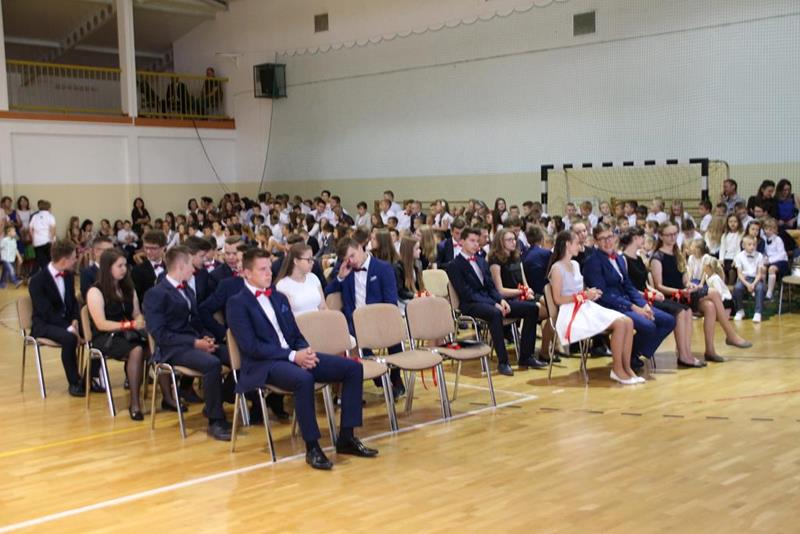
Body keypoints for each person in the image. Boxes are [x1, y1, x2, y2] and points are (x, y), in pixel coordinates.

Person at [227, 248, 377, 470]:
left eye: (269, 268)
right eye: (262, 269)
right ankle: (312, 447)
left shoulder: (278, 297)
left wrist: (305, 351)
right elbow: (251, 347)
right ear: (247, 273)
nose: (269, 273)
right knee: (303, 379)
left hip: (292, 356)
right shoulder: (237, 303)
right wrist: (292, 356)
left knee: (352, 368)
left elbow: (295, 334)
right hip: (264, 365)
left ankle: (347, 437)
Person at [143, 246, 232, 441]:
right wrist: (195, 343)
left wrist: (206, 337)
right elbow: (160, 334)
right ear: (180, 266)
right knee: (212, 364)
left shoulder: (187, 290)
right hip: (171, 348)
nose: (194, 269)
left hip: (192, 342)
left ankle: (219, 400)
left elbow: (196, 322)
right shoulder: (156, 294)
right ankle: (215, 420)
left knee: (235, 356)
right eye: (191, 265)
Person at [87, 248, 172, 420]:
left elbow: (136, 313)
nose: (124, 269)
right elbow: (101, 324)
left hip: (127, 333)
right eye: (120, 266)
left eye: (125, 265)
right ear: (108, 268)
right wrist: (130, 324)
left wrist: (139, 320)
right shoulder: (95, 291)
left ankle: (168, 397)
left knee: (156, 345)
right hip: (105, 337)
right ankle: (134, 402)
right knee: (137, 350)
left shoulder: (128, 288)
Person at [546, 230, 640, 385]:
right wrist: (584, 296)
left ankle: (627, 368)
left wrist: (590, 293)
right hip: (570, 312)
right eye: (577, 243)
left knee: (628, 321)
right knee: (619, 324)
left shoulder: (575, 264)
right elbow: (558, 299)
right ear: (568, 245)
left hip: (583, 306)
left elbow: (579, 291)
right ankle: (617, 370)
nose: (580, 246)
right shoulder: (557, 268)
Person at [650, 222, 751, 364]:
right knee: (714, 293)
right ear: (661, 236)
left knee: (710, 306)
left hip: (684, 293)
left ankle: (710, 350)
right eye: (669, 235)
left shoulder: (677, 253)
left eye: (675, 234)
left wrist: (689, 285)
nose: (673, 237)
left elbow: (685, 279)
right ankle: (730, 334)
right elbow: (659, 286)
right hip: (671, 296)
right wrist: (680, 291)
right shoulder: (657, 257)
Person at [447, 227, 542, 376]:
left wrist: (501, 300)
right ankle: (503, 362)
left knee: (532, 308)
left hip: (490, 300)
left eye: (477, 241)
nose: (476, 244)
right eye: (472, 241)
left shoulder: (480, 261)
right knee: (495, 313)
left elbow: (491, 287)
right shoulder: (454, 265)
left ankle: (526, 356)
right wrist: (494, 304)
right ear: (462, 242)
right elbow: (467, 293)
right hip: (470, 305)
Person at [583, 224, 675, 372]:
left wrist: (644, 305)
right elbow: (604, 294)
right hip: (610, 307)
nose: (607, 241)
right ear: (595, 241)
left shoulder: (619, 258)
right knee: (649, 326)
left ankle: (633, 353)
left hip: (627, 302)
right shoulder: (592, 262)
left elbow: (629, 286)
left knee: (668, 320)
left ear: (615, 237)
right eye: (602, 239)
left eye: (609, 237)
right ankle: (629, 357)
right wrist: (634, 308)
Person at [325, 237, 406, 397]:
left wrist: (377, 317)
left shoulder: (383, 268)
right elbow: (326, 292)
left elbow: (391, 301)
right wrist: (340, 277)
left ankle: (395, 378)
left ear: (360, 247)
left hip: (379, 316)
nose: (351, 261)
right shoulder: (344, 269)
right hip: (354, 321)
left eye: (352, 256)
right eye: (347, 259)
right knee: (356, 337)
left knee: (394, 332)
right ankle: (380, 378)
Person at [620, 227, 700, 368]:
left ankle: (686, 353)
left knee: (686, 310)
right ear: (635, 238)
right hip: (637, 300)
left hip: (647, 297)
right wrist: (649, 294)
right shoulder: (623, 260)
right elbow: (628, 288)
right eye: (642, 237)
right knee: (679, 313)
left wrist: (653, 291)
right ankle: (636, 350)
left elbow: (644, 283)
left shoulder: (638, 258)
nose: (644, 240)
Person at [28, 240, 100, 396]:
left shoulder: (68, 275)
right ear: (64, 260)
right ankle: (74, 383)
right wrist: (69, 328)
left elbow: (73, 303)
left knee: (97, 331)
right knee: (69, 338)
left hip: (67, 321)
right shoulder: (37, 281)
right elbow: (46, 312)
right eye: (74, 257)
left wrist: (75, 320)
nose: (76, 260)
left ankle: (90, 377)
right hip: (45, 324)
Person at [487, 229, 548, 368]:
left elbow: (524, 281)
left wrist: (528, 291)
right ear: (500, 242)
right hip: (507, 301)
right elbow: (500, 290)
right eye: (509, 240)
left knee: (549, 304)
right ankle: (527, 355)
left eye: (514, 239)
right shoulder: (495, 261)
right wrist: (521, 292)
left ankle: (543, 349)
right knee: (534, 309)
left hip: (520, 295)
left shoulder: (517, 257)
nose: (513, 242)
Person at [276, 242, 327, 316]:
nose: (312, 262)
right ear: (296, 261)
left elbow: (323, 307)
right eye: (309, 259)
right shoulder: (282, 285)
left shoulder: (313, 277)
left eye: (312, 259)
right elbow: (285, 316)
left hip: (319, 321)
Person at [732, 235, 766, 323]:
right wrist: (747, 284)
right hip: (744, 278)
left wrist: (753, 284)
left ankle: (758, 312)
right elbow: (739, 274)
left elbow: (759, 273)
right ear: (743, 245)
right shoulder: (739, 256)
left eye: (754, 245)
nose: (752, 247)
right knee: (737, 288)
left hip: (756, 278)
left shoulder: (759, 256)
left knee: (760, 288)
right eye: (749, 244)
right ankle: (740, 310)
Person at [131, 230, 167, 304]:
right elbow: (137, 298)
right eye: (146, 248)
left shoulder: (170, 267)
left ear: (163, 248)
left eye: (153, 248)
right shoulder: (137, 271)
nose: (148, 252)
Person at [393, 237, 425, 311]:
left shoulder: (418, 264)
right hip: (403, 304)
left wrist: (426, 295)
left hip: (415, 300)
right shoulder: (397, 267)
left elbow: (419, 287)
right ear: (409, 251)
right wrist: (417, 295)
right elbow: (400, 292)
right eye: (417, 249)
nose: (420, 251)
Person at [762, 218, 789, 300]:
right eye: (766, 229)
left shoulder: (778, 240)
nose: (768, 231)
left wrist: (770, 261)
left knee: (772, 268)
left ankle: (769, 293)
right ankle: (763, 289)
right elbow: (764, 252)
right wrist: (765, 259)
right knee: (762, 268)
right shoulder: (764, 239)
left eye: (770, 229)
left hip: (781, 261)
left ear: (775, 230)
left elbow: (782, 254)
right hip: (769, 261)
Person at [29, 200, 56, 273]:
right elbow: (53, 230)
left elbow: (30, 229)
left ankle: (33, 275)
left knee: (39, 259)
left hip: (37, 242)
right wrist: (53, 240)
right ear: (49, 208)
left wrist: (33, 239)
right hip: (47, 241)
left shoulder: (35, 216)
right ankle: (48, 275)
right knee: (48, 260)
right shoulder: (50, 217)